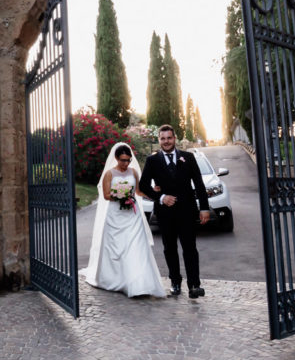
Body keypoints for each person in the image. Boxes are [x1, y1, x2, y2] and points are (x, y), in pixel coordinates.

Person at [83, 142, 166, 297]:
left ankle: (140, 282)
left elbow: (138, 192)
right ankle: (116, 279)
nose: (125, 163)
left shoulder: (134, 172)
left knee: (136, 246)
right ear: (116, 158)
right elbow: (107, 195)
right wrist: (122, 194)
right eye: (122, 160)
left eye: (128, 160)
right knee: (117, 248)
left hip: (132, 216)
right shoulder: (109, 174)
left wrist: (151, 192)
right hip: (115, 215)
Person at [138, 124, 210, 298]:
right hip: (165, 213)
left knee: (190, 248)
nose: (166, 141)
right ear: (159, 140)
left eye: (169, 138)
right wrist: (162, 197)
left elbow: (199, 184)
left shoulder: (188, 157)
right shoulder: (152, 161)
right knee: (169, 248)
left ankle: (194, 285)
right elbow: (143, 185)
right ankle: (175, 282)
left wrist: (205, 208)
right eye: (163, 138)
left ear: (174, 139)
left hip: (187, 211)